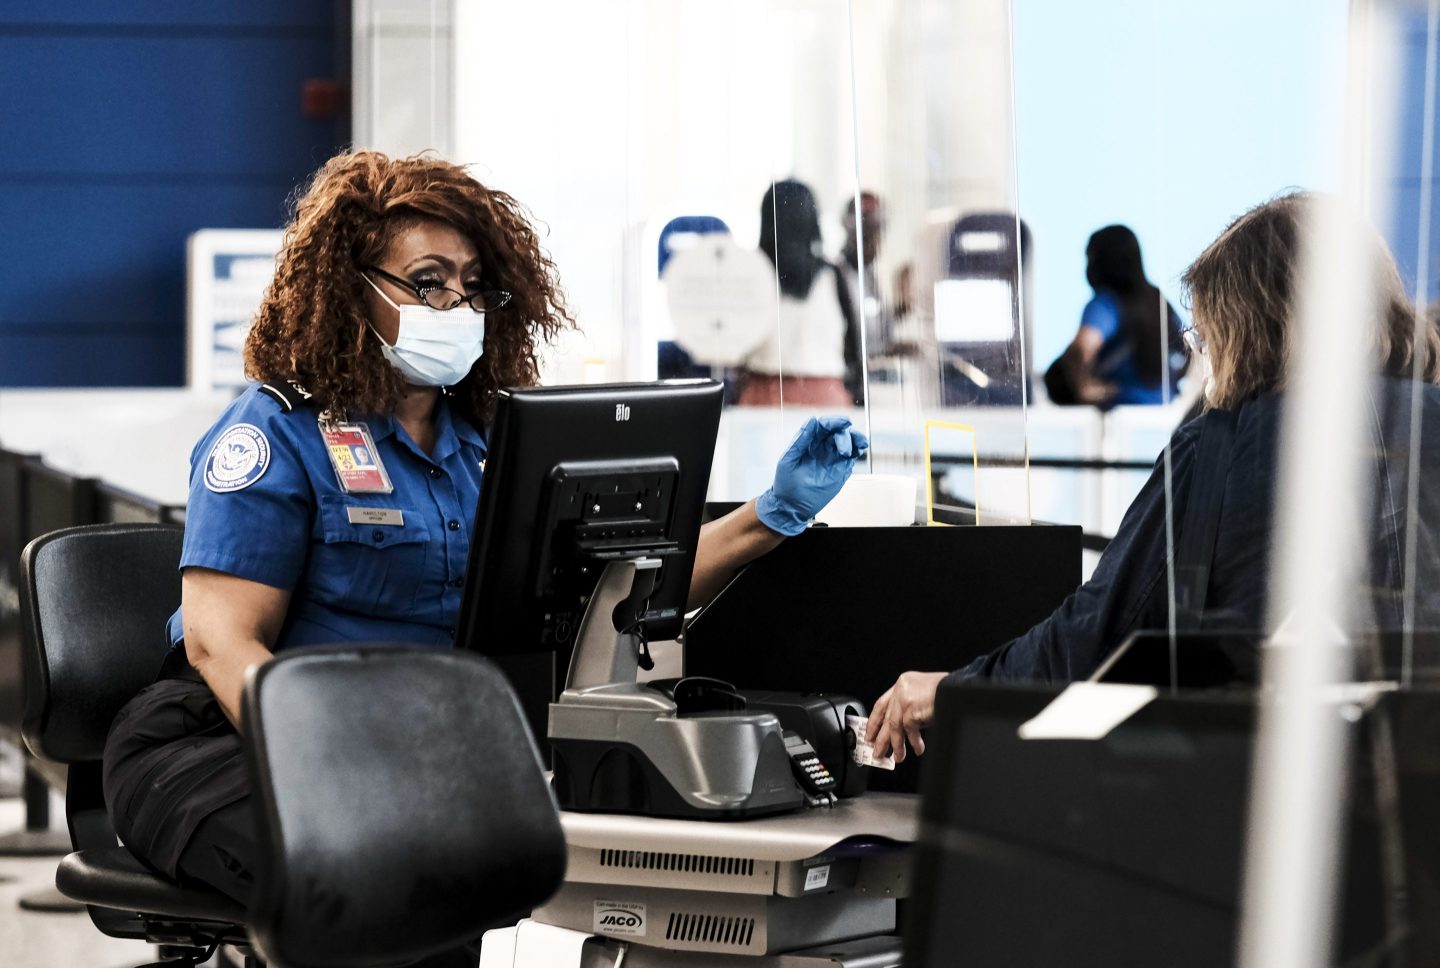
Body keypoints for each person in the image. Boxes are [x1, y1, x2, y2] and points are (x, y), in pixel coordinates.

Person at [101, 152, 867, 930]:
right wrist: (333, 769)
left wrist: (772, 512)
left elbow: (619, 598)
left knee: (490, 871)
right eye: (429, 282)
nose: (457, 304)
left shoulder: (491, 448)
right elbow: (220, 646)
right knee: (371, 874)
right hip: (225, 741)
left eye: (472, 285)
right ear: (350, 291)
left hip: (421, 749)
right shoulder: (275, 434)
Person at [869, 191, 1440, 762]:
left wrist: (952, 689)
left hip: (1277, 792)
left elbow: (1095, 637)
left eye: (1207, 335)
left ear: (1248, 329)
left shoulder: (1220, 448)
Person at [737, 179, 864, 407]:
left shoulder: (751, 274)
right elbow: (854, 347)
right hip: (825, 395)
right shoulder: (833, 275)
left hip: (763, 395)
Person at [1046, 224, 1188, 407]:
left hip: (1122, 412)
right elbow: (1189, 348)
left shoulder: (1105, 304)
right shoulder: (1156, 298)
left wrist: (1084, 387)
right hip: (1163, 410)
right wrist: (1174, 382)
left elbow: (1082, 348)